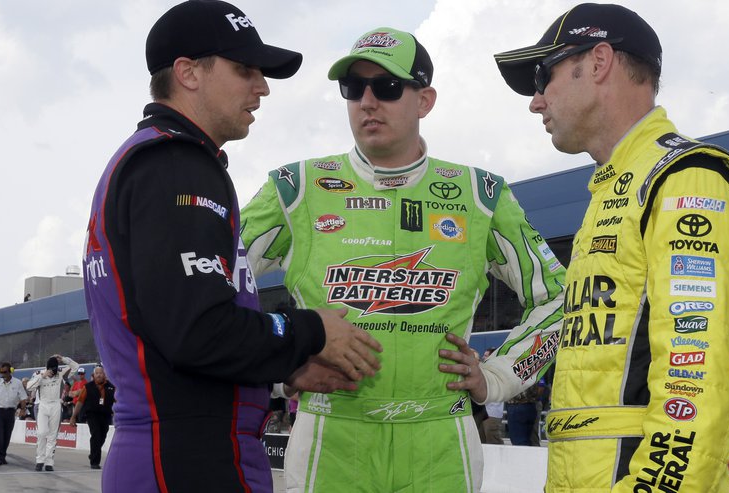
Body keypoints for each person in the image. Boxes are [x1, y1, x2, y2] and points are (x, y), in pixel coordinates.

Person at [240, 27, 566, 492]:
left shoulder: (480, 195)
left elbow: (559, 297)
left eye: (387, 87)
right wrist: (279, 367)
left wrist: (498, 377)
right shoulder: (296, 189)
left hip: (441, 442)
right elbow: (212, 292)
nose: (367, 101)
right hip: (331, 436)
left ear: (424, 100)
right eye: (353, 89)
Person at [81, 2, 382, 492]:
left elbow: (177, 334)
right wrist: (311, 330)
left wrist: (286, 369)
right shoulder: (175, 164)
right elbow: (198, 331)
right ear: (188, 73)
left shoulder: (151, 160)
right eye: (245, 70)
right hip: (189, 460)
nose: (261, 87)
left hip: (176, 449)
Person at [493, 3, 729, 491]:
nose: (535, 101)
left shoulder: (684, 178)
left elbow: (695, 374)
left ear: (598, 62)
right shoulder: (615, 187)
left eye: (541, 76)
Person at [27, 354, 79, 471]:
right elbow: (29, 387)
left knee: (53, 435)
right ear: (47, 367)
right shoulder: (38, 374)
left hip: (56, 404)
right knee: (41, 433)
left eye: (55, 368)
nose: (53, 371)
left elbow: (75, 366)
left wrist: (63, 359)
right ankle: (40, 460)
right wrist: (42, 376)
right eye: (51, 369)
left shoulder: (61, 372)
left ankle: (49, 462)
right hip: (43, 405)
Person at [71, 366, 116, 469]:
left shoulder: (111, 387)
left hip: (106, 415)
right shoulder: (87, 387)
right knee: (96, 435)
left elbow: (117, 401)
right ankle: (94, 462)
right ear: (94, 375)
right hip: (92, 415)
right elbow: (80, 402)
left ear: (105, 375)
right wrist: (73, 416)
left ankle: (93, 453)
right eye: (97, 373)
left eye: (101, 373)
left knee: (103, 436)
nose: (99, 375)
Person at [0, 362, 28, 465]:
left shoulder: (18, 383)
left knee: (7, 436)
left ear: (10, 371)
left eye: (5, 372)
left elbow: (23, 398)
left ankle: (3, 456)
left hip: (10, 412)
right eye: (1, 372)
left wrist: (23, 410)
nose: (3, 374)